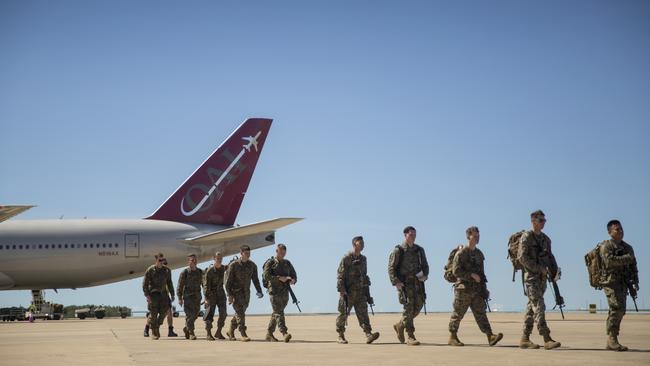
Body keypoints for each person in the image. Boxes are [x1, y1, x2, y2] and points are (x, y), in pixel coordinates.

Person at [447, 226, 503, 346]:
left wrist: (484, 288)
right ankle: (452, 336)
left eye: (478, 235)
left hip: (477, 290)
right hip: (463, 290)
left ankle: (490, 336)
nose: (477, 238)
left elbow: (482, 274)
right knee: (458, 314)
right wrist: (471, 275)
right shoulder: (461, 253)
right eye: (475, 235)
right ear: (468, 236)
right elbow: (456, 272)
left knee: (481, 313)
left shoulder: (479, 254)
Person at [517, 210, 561, 350]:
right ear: (533, 221)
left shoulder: (546, 239)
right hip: (531, 279)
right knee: (539, 306)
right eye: (541, 220)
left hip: (542, 280)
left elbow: (550, 257)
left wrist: (555, 271)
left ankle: (525, 338)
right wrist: (538, 268)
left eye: (544, 220)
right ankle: (546, 338)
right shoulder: (526, 237)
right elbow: (522, 258)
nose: (544, 223)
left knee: (532, 308)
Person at [597, 220, 639, 351]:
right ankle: (612, 338)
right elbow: (609, 262)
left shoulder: (628, 247)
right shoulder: (606, 246)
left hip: (623, 282)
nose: (620, 231)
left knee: (621, 309)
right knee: (616, 308)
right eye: (617, 229)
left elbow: (633, 266)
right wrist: (626, 258)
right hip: (610, 282)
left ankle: (612, 338)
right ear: (610, 232)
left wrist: (635, 281)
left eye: (621, 229)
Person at [388, 226, 429, 346]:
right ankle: (410, 336)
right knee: (408, 308)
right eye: (411, 234)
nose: (413, 237)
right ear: (405, 235)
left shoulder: (419, 250)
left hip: (418, 283)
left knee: (418, 307)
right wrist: (396, 282)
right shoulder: (399, 250)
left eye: (415, 234)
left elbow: (425, 265)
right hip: (405, 284)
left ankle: (400, 325)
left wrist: (425, 276)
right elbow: (391, 267)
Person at [335, 236, 380, 344]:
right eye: (360, 243)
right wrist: (342, 290)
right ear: (354, 244)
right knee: (343, 314)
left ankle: (368, 334)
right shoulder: (346, 258)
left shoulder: (363, 259)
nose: (363, 245)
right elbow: (340, 275)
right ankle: (340, 335)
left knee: (363, 313)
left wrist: (367, 291)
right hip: (348, 292)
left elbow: (364, 275)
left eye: (363, 243)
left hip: (360, 291)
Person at [225, 245, 264, 342]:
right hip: (236, 293)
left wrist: (259, 291)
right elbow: (228, 282)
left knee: (240, 313)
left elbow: (255, 279)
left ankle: (230, 331)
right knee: (240, 312)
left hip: (246, 293)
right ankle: (243, 333)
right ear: (241, 253)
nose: (248, 255)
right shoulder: (233, 265)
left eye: (249, 253)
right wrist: (229, 295)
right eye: (246, 253)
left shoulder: (252, 265)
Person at [262, 244, 298, 342]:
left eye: (284, 252)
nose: (282, 254)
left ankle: (269, 334)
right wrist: (279, 278)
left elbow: (294, 275)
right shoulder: (270, 263)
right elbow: (266, 276)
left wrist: (293, 280)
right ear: (276, 251)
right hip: (274, 291)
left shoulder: (287, 263)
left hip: (285, 292)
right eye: (280, 252)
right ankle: (284, 333)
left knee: (276, 313)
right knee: (279, 312)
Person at [142, 252, 174, 340]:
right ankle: (154, 332)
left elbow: (169, 283)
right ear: (156, 260)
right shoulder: (150, 270)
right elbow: (145, 284)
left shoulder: (167, 270)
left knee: (164, 313)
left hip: (164, 295)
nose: (161, 262)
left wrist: (172, 294)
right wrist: (147, 296)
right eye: (160, 260)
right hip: (153, 295)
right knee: (153, 314)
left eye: (162, 260)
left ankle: (156, 327)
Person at [203, 252, 228, 340]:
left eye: (221, 258)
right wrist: (206, 298)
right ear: (214, 258)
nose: (219, 260)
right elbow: (206, 285)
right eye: (218, 258)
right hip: (211, 295)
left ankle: (218, 332)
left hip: (221, 294)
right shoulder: (210, 270)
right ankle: (208, 334)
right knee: (209, 315)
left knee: (223, 314)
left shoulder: (223, 268)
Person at [177, 254, 203, 340]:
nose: (194, 262)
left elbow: (204, 285)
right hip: (188, 297)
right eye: (192, 260)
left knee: (195, 315)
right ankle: (191, 332)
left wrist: (207, 297)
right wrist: (179, 298)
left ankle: (186, 328)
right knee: (189, 315)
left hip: (197, 297)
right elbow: (180, 286)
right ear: (188, 262)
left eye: (195, 260)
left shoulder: (200, 272)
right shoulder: (185, 273)